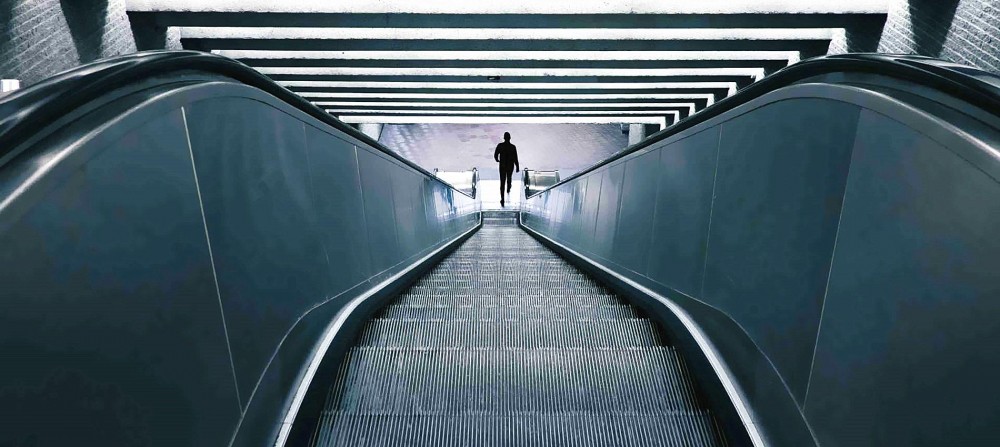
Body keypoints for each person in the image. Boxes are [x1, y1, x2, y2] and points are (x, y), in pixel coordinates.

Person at [493, 132, 519, 207]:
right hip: (510, 166)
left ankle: (502, 198)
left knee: (502, 182)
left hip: (502, 166)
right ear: (510, 138)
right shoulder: (513, 147)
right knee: (509, 177)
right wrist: (517, 166)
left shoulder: (500, 145)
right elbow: (515, 157)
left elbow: (496, 154)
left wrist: (497, 160)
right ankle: (508, 187)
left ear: (504, 138)